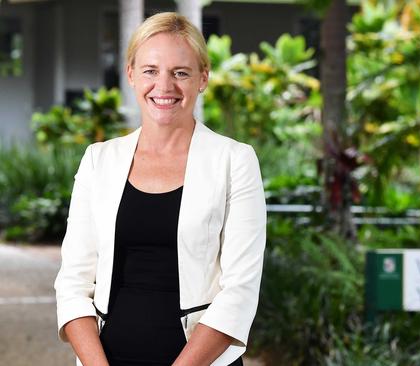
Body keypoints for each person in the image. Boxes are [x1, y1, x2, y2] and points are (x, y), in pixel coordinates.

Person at [54, 12, 266, 366]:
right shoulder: (98, 160)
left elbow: (240, 292)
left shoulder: (235, 161)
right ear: (132, 75)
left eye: (180, 72)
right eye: (151, 70)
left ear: (203, 78)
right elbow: (73, 283)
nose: (164, 86)